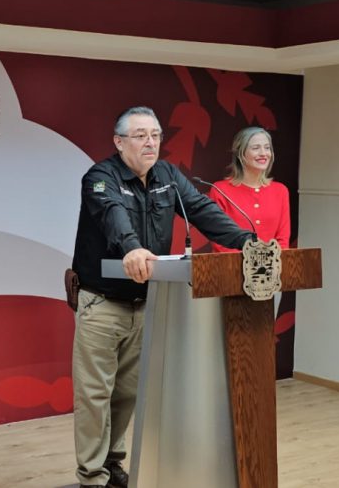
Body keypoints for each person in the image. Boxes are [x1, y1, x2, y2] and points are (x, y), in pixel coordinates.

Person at [70, 106, 253, 488]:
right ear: (119, 142)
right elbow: (112, 214)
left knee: (126, 393)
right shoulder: (100, 178)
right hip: (102, 303)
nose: (150, 142)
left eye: (155, 135)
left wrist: (246, 241)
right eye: (140, 135)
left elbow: (202, 210)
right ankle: (91, 476)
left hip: (148, 303)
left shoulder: (168, 177)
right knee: (94, 395)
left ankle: (112, 463)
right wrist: (132, 248)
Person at [208, 126, 291, 252]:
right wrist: (248, 261)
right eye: (255, 148)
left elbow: (283, 241)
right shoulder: (220, 190)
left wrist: (268, 261)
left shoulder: (280, 191)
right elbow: (219, 241)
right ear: (240, 153)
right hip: (231, 263)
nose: (263, 153)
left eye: (267, 147)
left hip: (273, 263)